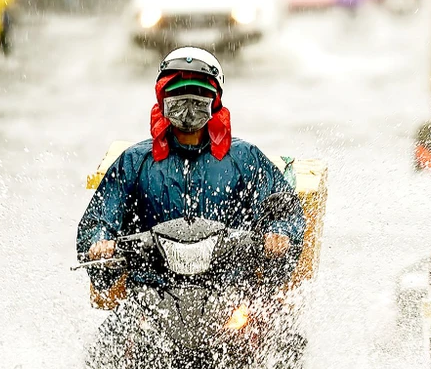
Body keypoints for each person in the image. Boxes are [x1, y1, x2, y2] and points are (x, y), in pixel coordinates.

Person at [77, 46, 305, 291]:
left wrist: (278, 233)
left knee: (280, 330)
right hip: (151, 295)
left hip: (230, 294)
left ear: (215, 102)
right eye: (178, 99)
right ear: (162, 100)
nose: (188, 111)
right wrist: (100, 241)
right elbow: (100, 217)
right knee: (108, 331)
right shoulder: (134, 162)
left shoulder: (246, 158)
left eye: (198, 99)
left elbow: (283, 209)